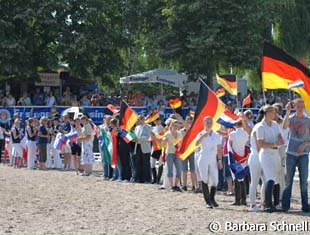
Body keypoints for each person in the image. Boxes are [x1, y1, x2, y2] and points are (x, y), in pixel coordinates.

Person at [282, 99, 310, 212]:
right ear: (295, 107)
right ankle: (285, 205)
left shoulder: (308, 120)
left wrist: (305, 144)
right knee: (288, 180)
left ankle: (305, 205)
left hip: (303, 153)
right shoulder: (291, 118)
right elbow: (284, 127)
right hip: (290, 153)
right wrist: (287, 112)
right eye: (297, 106)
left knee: (303, 181)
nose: (299, 108)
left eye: (301, 106)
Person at [257, 105, 284, 213]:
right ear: (267, 113)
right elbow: (261, 144)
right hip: (266, 154)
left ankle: (276, 203)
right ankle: (268, 204)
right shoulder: (260, 127)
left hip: (275, 152)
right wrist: (274, 144)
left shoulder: (275, 124)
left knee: (276, 178)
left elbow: (279, 136)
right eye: (273, 112)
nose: (275, 114)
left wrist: (279, 140)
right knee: (270, 177)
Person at [196, 116, 222, 208]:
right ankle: (207, 201)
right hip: (203, 157)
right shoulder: (201, 133)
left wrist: (219, 160)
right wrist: (203, 136)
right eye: (207, 122)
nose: (209, 124)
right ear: (204, 123)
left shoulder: (216, 135)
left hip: (213, 158)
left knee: (215, 180)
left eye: (210, 122)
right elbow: (196, 143)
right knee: (204, 179)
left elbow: (219, 148)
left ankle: (212, 198)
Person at [228, 115, 251, 206]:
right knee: (242, 179)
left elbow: (230, 145)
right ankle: (243, 199)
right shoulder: (246, 133)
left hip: (235, 159)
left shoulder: (232, 134)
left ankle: (238, 200)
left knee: (237, 179)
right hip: (243, 158)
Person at [248, 109, 265, 212]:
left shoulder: (258, 127)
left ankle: (262, 202)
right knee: (254, 181)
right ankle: (253, 204)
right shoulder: (258, 128)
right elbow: (259, 146)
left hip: (260, 156)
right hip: (256, 156)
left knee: (265, 181)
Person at [160, 119, 183, 191]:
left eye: (177, 125)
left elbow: (181, 143)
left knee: (179, 170)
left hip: (177, 154)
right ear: (171, 126)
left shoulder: (179, 134)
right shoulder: (168, 134)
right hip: (170, 153)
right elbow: (163, 143)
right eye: (174, 125)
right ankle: (172, 186)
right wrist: (164, 141)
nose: (176, 127)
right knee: (170, 170)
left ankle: (176, 185)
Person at [181, 116, 198, 191]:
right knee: (184, 170)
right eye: (187, 120)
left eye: (189, 120)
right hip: (184, 152)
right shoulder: (181, 131)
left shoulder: (193, 130)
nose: (188, 122)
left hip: (192, 151)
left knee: (192, 170)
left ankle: (194, 185)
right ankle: (184, 185)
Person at [133, 115, 152, 183]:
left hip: (145, 147)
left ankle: (147, 179)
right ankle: (139, 178)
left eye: (140, 119)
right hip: (137, 146)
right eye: (138, 119)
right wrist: (134, 139)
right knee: (138, 163)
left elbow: (148, 137)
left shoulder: (148, 127)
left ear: (143, 119)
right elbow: (135, 136)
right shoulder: (137, 127)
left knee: (146, 163)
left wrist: (138, 139)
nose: (139, 121)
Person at [150, 118, 164, 184]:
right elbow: (151, 138)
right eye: (156, 121)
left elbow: (161, 139)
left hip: (161, 148)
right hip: (154, 147)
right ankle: (154, 178)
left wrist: (154, 136)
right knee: (152, 164)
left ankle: (158, 179)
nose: (157, 122)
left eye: (158, 120)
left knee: (160, 164)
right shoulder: (153, 129)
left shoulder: (163, 129)